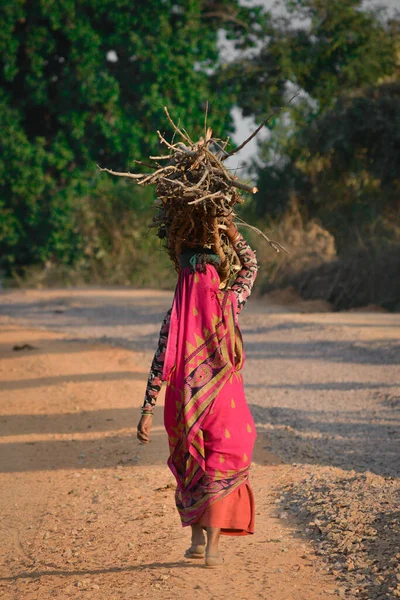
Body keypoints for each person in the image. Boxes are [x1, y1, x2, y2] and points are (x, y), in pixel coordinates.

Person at [137, 218, 258, 567]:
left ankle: (195, 539)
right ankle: (213, 549)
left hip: (184, 401)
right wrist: (234, 235)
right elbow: (250, 266)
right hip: (224, 401)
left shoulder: (174, 316)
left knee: (193, 462)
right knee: (221, 461)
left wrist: (147, 410)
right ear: (215, 275)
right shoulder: (228, 301)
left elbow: (159, 364)